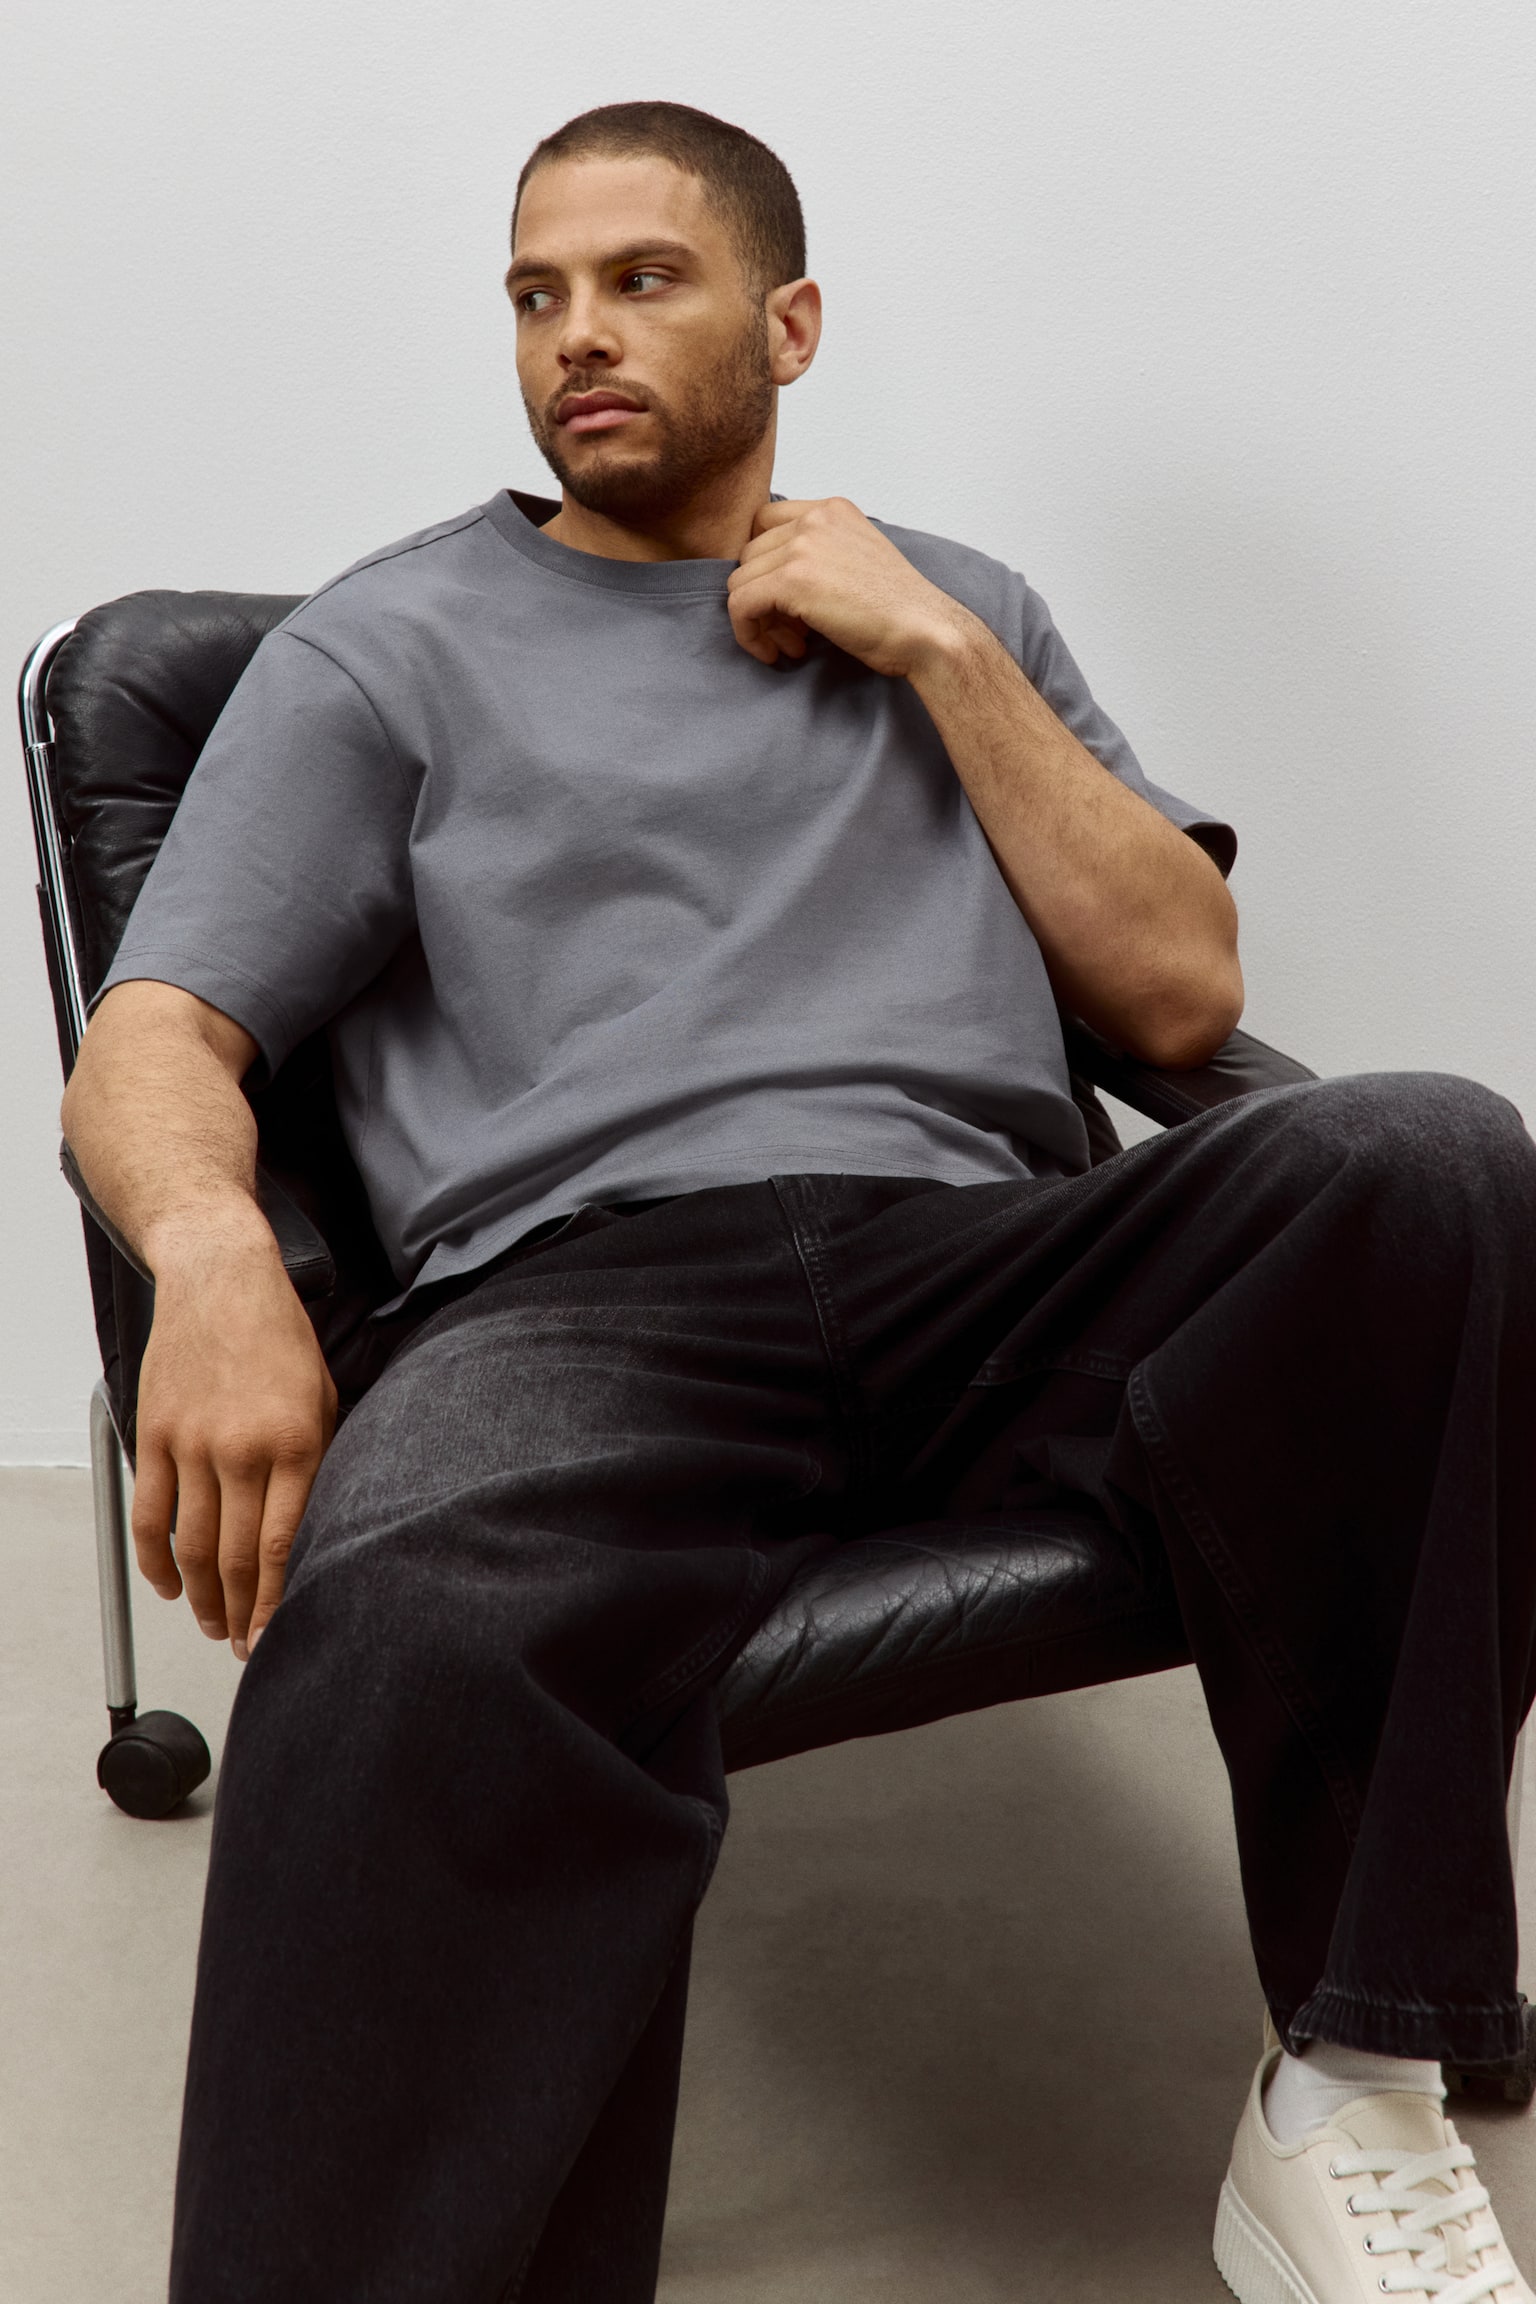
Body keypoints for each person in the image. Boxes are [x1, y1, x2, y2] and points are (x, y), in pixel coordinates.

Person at [61, 99, 1535, 2304]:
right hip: (589, 1298)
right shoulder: (383, 649)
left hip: (988, 1268)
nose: (577, 335)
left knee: (1433, 1157)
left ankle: (1356, 2081)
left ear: (791, 322)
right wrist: (205, 1257)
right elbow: (156, 1035)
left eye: (641, 279)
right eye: (537, 295)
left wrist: (937, 651)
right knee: (410, 1614)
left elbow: (1179, 993)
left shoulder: (964, 604)